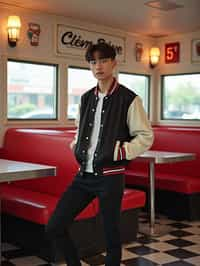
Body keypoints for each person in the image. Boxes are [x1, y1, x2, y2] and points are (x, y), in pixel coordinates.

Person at [46, 42, 154, 266]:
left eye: (103, 61)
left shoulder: (129, 99)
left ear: (113, 63)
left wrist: (121, 151)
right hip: (83, 176)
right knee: (55, 226)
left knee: (111, 236)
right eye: (93, 62)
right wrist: (76, 145)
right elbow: (79, 129)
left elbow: (145, 136)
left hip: (111, 177)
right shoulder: (85, 98)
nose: (98, 66)